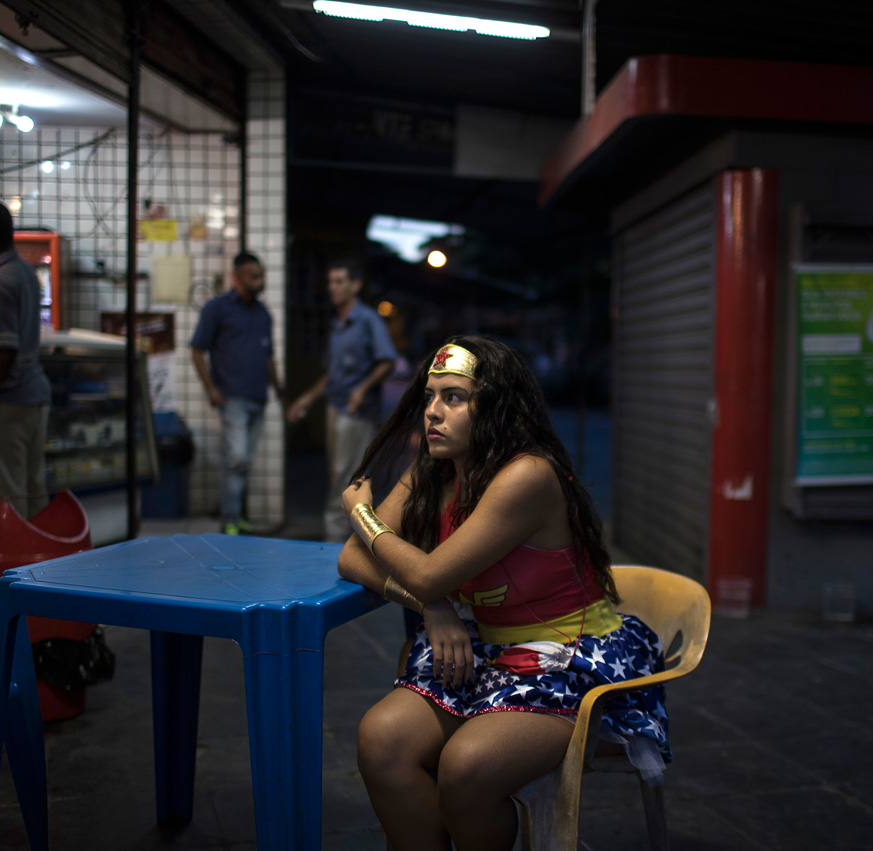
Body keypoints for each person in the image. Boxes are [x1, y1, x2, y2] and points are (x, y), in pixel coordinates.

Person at [336, 336, 669, 850]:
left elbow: (415, 568)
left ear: (495, 406)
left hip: (564, 656)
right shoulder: (433, 466)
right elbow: (353, 560)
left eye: (453, 397)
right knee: (381, 742)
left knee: (466, 767)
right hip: (485, 647)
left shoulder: (526, 475)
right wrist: (432, 606)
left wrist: (361, 513)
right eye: (428, 397)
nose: (433, 413)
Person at [287, 260, 396, 541]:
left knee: (347, 478)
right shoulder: (338, 323)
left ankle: (338, 544)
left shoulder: (367, 319)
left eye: (339, 282)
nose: (332, 288)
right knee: (340, 474)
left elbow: (387, 361)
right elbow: (331, 375)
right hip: (335, 407)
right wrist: (306, 400)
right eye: (330, 282)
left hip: (356, 412)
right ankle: (344, 542)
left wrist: (362, 389)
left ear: (355, 285)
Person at [191, 251, 286, 535]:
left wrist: (279, 391)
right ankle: (230, 520)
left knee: (242, 460)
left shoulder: (263, 314)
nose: (259, 281)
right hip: (231, 396)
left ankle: (235, 515)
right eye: (252, 276)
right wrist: (210, 388)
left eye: (261, 275)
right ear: (236, 277)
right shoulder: (217, 309)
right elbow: (197, 350)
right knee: (237, 457)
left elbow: (268, 357)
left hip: (258, 397)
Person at [0, 201, 52, 518]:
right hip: (35, 394)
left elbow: (4, 350)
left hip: (8, 401)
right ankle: (42, 563)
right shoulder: (24, 271)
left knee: (9, 494)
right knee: (34, 489)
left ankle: (17, 565)